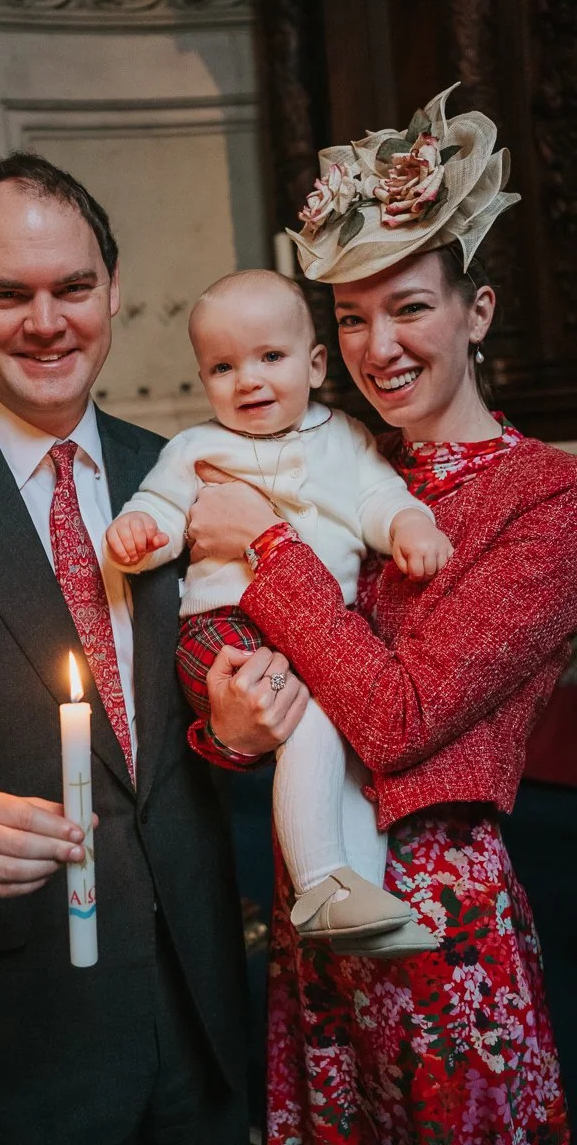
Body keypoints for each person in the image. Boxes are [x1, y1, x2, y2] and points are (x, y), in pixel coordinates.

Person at [0, 152, 299, 1145]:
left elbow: (198, 724)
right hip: (21, 1031)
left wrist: (242, 727)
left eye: (72, 287)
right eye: (6, 293)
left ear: (112, 292)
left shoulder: (184, 472)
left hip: (202, 1001)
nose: (45, 321)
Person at [186, 86, 576, 1141]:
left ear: (475, 312)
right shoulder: (341, 462)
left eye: (408, 307)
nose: (376, 346)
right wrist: (227, 719)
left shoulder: (547, 501)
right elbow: (251, 650)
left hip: (436, 915)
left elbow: (399, 716)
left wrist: (261, 544)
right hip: (309, 901)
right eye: (350, 320)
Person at [104, 268, 450, 956]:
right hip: (224, 630)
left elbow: (378, 499)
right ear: (203, 381)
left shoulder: (346, 437)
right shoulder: (197, 449)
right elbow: (164, 510)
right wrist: (140, 534)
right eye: (223, 367)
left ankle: (362, 902)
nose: (248, 381)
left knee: (353, 751)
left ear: (315, 364)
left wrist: (410, 526)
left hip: (320, 628)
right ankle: (321, 883)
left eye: (270, 358)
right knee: (318, 708)